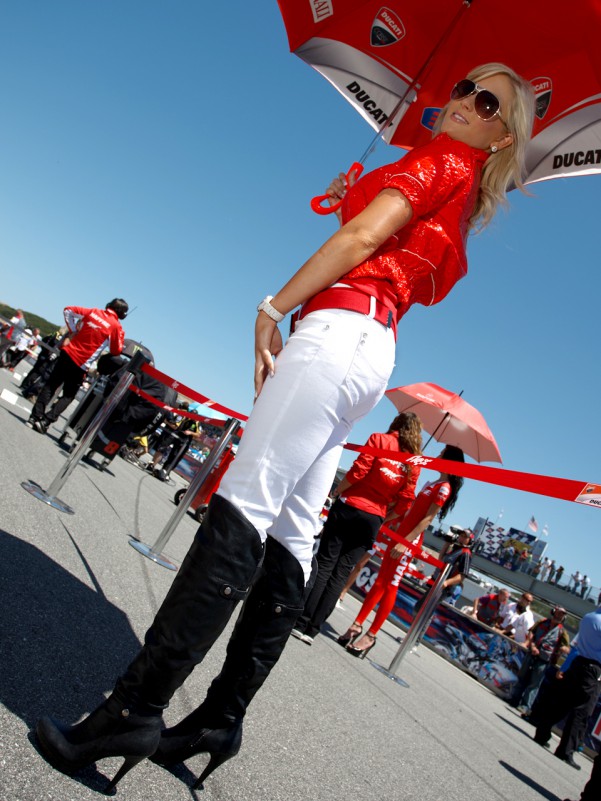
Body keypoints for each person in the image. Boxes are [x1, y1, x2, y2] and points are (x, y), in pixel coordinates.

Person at [35, 63, 535, 792]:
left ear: (500, 135)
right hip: (369, 345)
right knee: (293, 530)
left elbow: (365, 239)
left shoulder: (442, 160)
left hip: (338, 332)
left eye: (485, 101)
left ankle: (133, 708)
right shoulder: (455, 194)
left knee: (244, 504)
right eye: (463, 85)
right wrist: (354, 192)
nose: (462, 102)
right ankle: (218, 718)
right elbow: (381, 239)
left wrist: (272, 308)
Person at [291, 412, 422, 645]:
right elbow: (405, 502)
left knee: (325, 564)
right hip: (374, 519)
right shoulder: (413, 463)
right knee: (342, 573)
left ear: (396, 424)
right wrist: (384, 517)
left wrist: (337, 491)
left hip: (349, 507)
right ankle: (313, 630)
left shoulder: (379, 439)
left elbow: (358, 472)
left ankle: (300, 622)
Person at [340, 445, 465, 658]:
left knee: (390, 585)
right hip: (400, 536)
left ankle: (371, 634)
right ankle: (357, 624)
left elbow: (427, 519)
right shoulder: (432, 483)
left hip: (409, 542)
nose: (438, 454)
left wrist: (406, 542)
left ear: (449, 460)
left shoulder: (444, 487)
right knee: (380, 581)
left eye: (442, 453)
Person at [28, 299, 128, 434]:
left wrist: (73, 330)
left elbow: (68, 310)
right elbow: (116, 350)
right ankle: (46, 420)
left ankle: (34, 418)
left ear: (109, 305)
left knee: (50, 385)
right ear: (122, 314)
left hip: (67, 353)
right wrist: (120, 336)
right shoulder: (115, 326)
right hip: (81, 364)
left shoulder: (93, 312)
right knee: (69, 395)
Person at [535, 607, 601, 770]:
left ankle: (542, 732)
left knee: (562, 702)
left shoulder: (589, 616)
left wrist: (564, 667)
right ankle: (566, 750)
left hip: (578, 663)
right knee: (582, 711)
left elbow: (576, 646)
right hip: (593, 669)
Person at [513, 606, 570, 716]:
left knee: (534, 684)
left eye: (562, 615)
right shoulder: (542, 622)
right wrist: (532, 645)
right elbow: (531, 633)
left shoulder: (562, 632)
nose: (559, 616)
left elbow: (567, 648)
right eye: (558, 613)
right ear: (553, 613)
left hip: (544, 660)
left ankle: (525, 706)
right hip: (531, 653)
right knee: (522, 676)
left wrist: (564, 650)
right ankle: (514, 698)